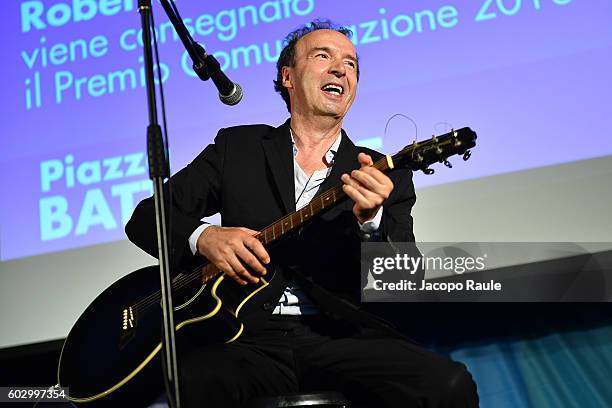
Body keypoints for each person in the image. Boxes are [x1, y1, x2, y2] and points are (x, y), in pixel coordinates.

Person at [126, 20, 478, 408]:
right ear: (288, 76)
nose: (340, 69)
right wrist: (205, 237)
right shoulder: (238, 148)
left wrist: (371, 224)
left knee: (448, 384)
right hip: (244, 338)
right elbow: (146, 217)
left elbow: (405, 284)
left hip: (340, 337)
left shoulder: (385, 175)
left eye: (351, 64)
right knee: (192, 381)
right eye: (322, 56)